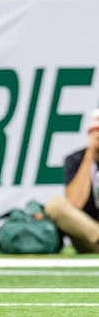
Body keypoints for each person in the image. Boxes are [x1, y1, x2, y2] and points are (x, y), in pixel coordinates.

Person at [45, 108, 99, 254]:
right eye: (97, 131)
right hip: (90, 236)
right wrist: (90, 155)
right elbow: (75, 202)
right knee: (55, 204)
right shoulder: (76, 159)